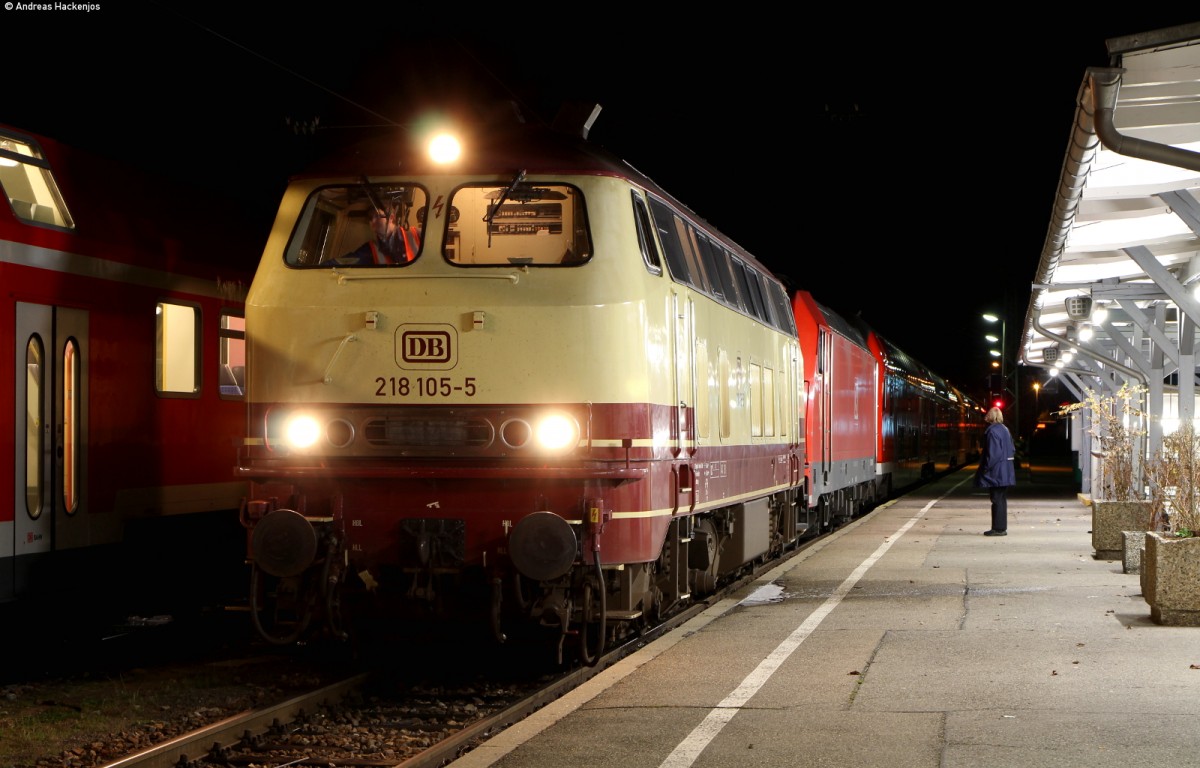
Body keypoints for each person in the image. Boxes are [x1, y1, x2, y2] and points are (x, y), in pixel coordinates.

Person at [975, 406, 1016, 535]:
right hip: (1006, 471)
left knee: (996, 499)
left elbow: (993, 454)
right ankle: (1001, 528)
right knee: (1002, 499)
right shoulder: (1005, 430)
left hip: (996, 472)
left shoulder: (992, 431)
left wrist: (986, 468)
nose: (985, 416)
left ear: (991, 416)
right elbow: (1012, 449)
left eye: (988, 414)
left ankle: (997, 529)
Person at [337, 208, 420, 265]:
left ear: (391, 218)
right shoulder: (370, 249)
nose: (372, 221)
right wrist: (324, 267)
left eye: (377, 216)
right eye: (370, 218)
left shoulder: (417, 234)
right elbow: (345, 262)